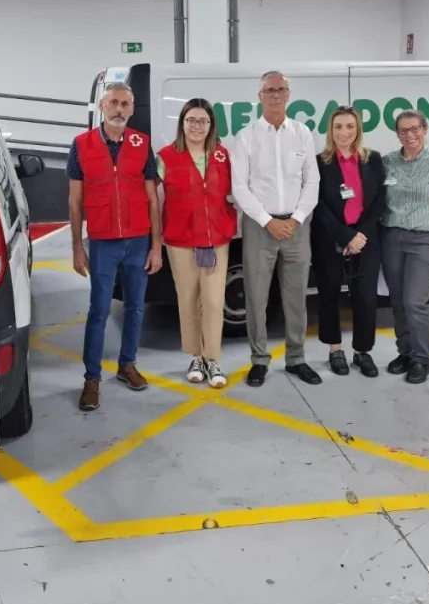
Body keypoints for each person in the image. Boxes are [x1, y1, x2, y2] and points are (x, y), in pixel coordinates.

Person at [67, 82, 163, 412]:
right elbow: (75, 199)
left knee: (136, 308)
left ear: (132, 109)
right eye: (113, 103)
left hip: (138, 240)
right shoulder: (81, 145)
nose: (119, 108)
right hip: (102, 242)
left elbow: (152, 198)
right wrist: (78, 246)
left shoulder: (142, 144)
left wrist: (156, 246)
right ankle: (91, 378)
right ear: (102, 107)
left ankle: (127, 365)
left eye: (125, 103)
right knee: (99, 311)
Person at [232, 71, 321, 388]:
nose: (275, 95)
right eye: (269, 90)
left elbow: (312, 181)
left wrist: (296, 219)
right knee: (256, 298)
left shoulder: (302, 133)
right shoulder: (246, 136)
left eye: (280, 89)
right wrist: (268, 221)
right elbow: (239, 187)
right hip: (260, 226)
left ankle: (296, 358)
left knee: (296, 297)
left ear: (288, 94)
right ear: (260, 96)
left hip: (298, 225)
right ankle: (258, 360)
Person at [157, 99, 236, 389]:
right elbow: (152, 197)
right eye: (191, 120)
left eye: (203, 121)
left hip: (215, 240)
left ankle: (213, 359)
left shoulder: (222, 155)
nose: (197, 126)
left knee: (214, 303)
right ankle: (195, 356)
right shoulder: (165, 157)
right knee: (188, 301)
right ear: (182, 123)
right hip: (180, 241)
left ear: (211, 125)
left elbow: (234, 191)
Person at [381, 110, 429, 385]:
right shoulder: (388, 162)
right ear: (397, 133)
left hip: (425, 238)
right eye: (403, 131)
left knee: (415, 301)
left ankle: (422, 359)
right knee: (398, 301)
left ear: (425, 129)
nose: (410, 135)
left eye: (415, 129)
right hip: (391, 237)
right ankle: (405, 352)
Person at [311, 106, 386, 378]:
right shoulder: (319, 162)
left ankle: (362, 351)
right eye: (339, 126)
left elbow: (380, 200)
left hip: (365, 239)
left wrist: (360, 235)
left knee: (365, 297)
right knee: (329, 293)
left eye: (350, 126)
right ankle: (335, 350)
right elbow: (317, 205)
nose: (344, 132)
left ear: (358, 130)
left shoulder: (372, 159)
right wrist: (345, 236)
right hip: (329, 239)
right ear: (330, 130)